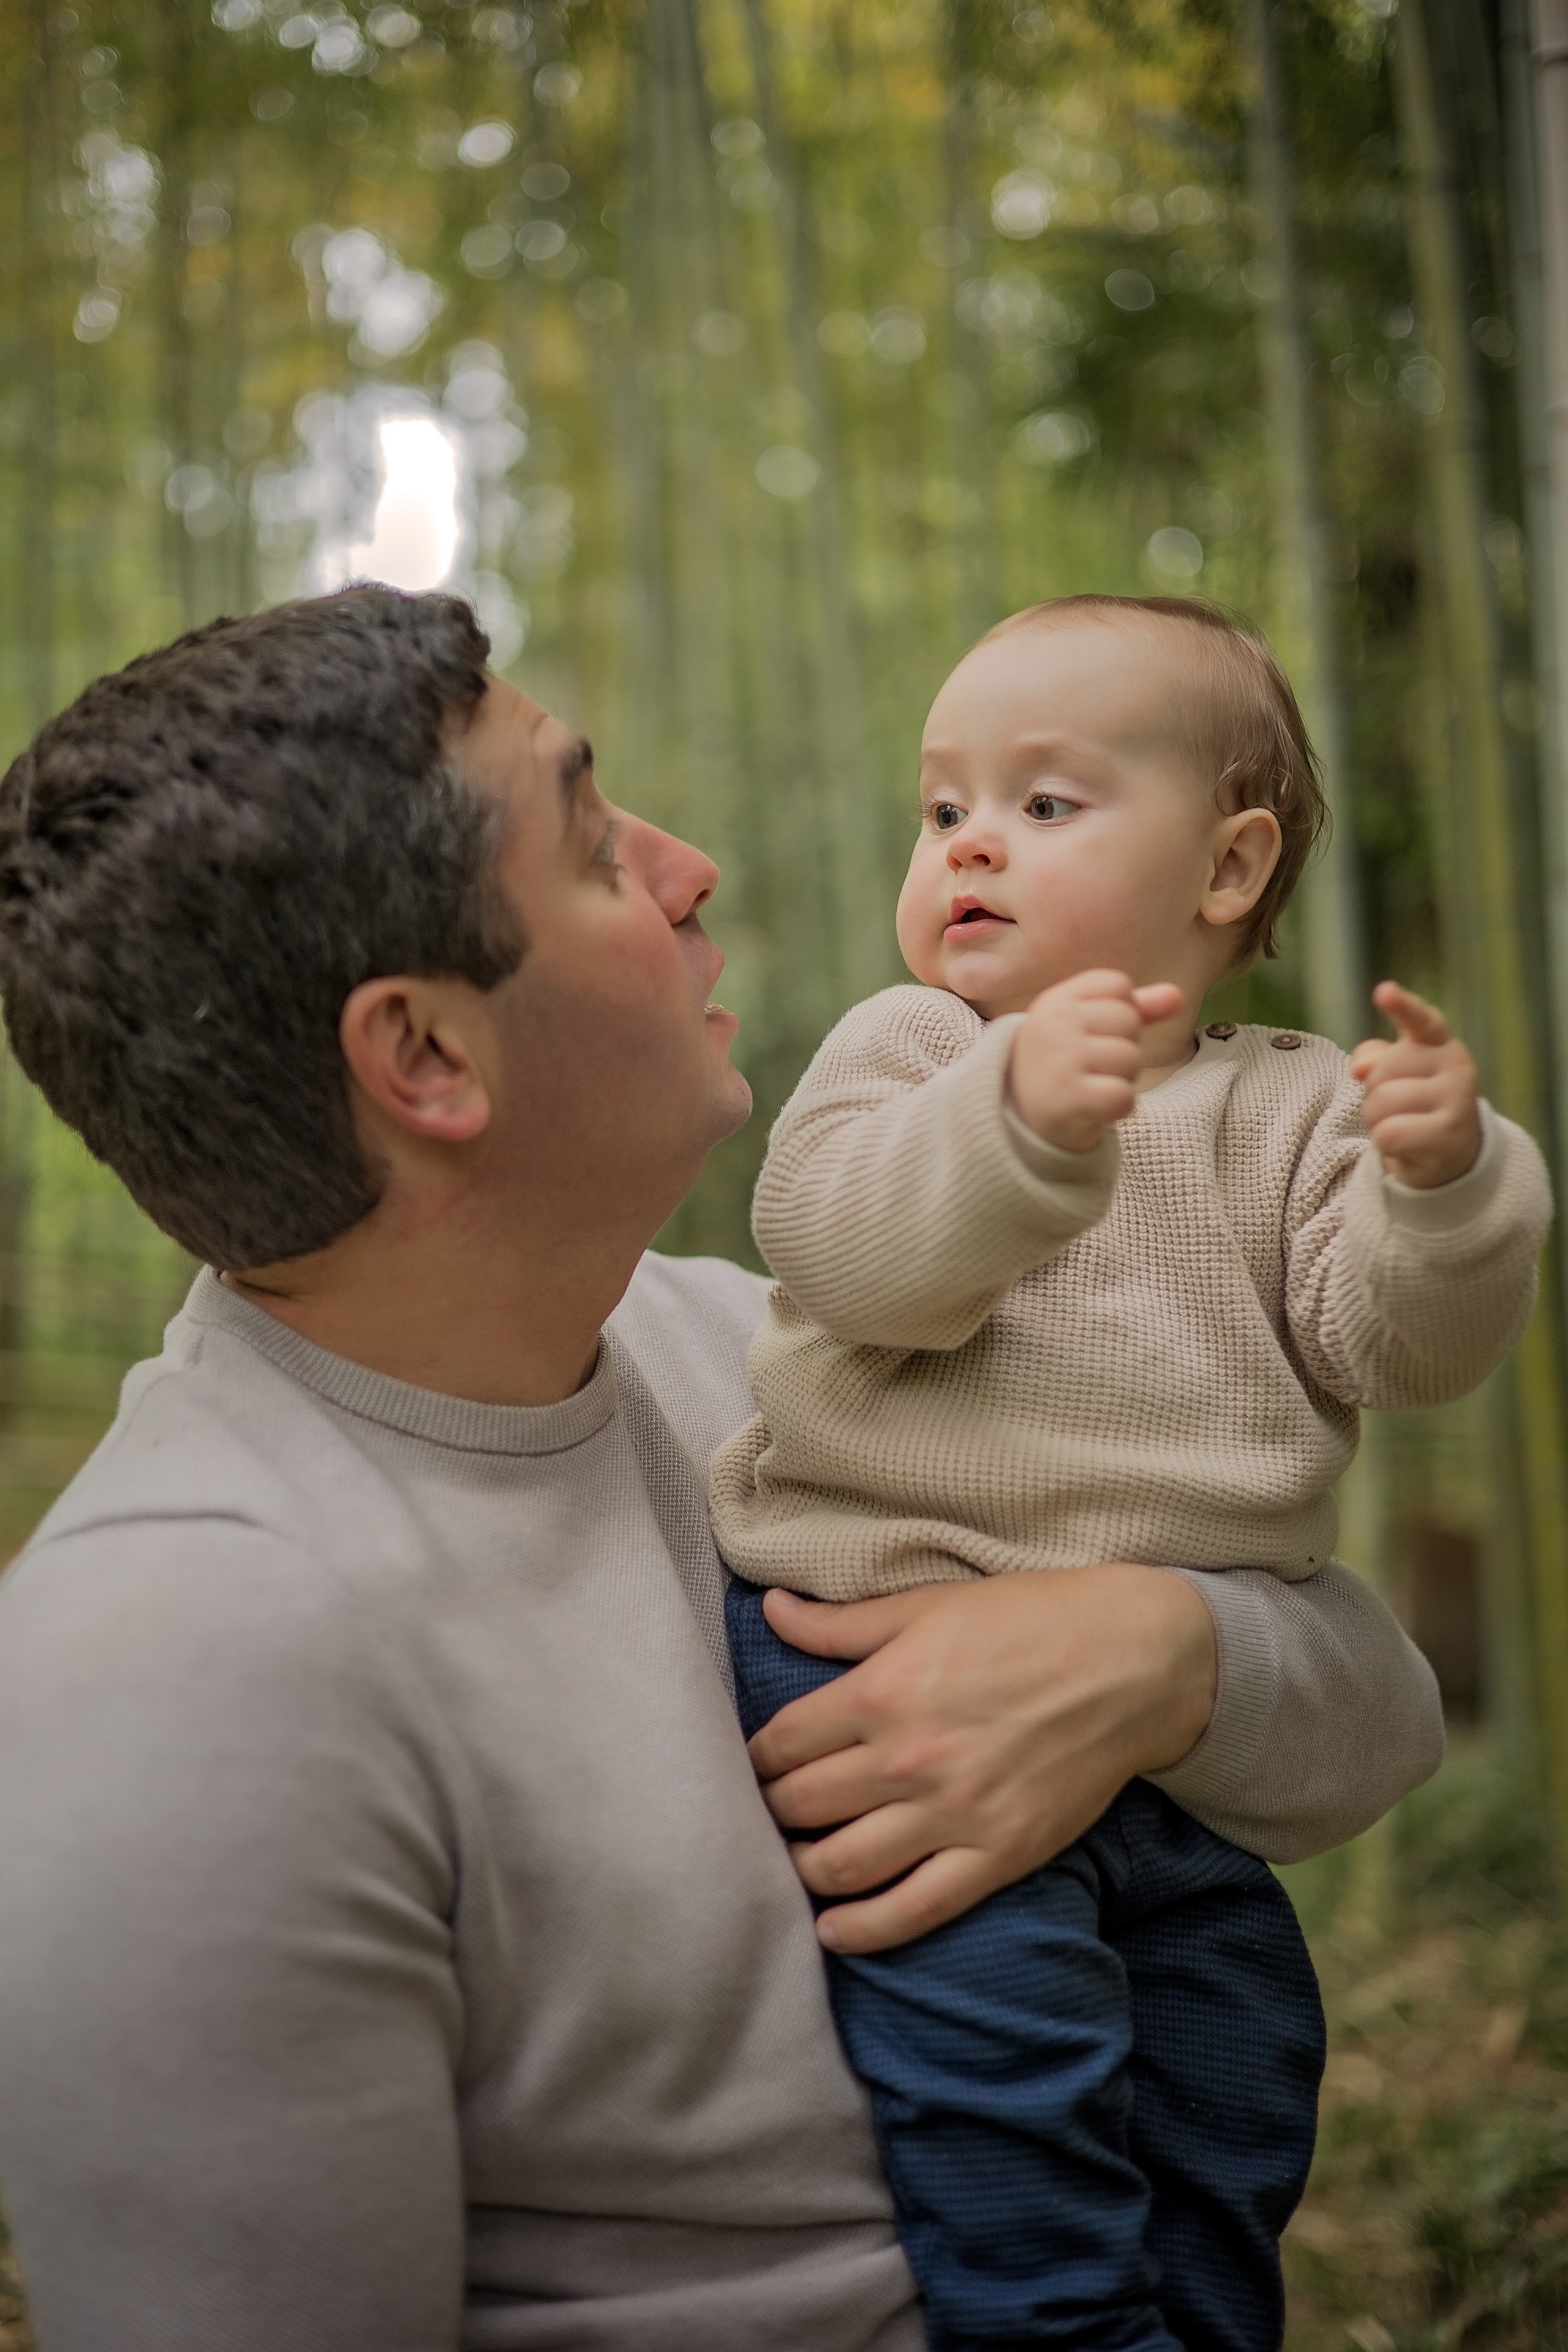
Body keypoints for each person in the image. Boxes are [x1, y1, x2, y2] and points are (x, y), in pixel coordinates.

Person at [0, 586, 1445, 2352]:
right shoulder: (173, 1667)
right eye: (599, 843)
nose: (692, 866)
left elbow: (1378, 1715)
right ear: (427, 1056)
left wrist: (1161, 1657)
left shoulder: (747, 1348)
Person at [712, 595, 1551, 2351]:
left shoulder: (1300, 1107)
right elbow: (852, 1256)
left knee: (1239, 2066)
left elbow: (1397, 1353)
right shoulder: (911, 1055)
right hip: (889, 1653)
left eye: (1045, 803)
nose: (970, 848)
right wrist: (1016, 1120)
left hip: (1183, 1744)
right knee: (1007, 2075)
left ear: (1229, 868)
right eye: (944, 811)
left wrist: (1448, 1190)